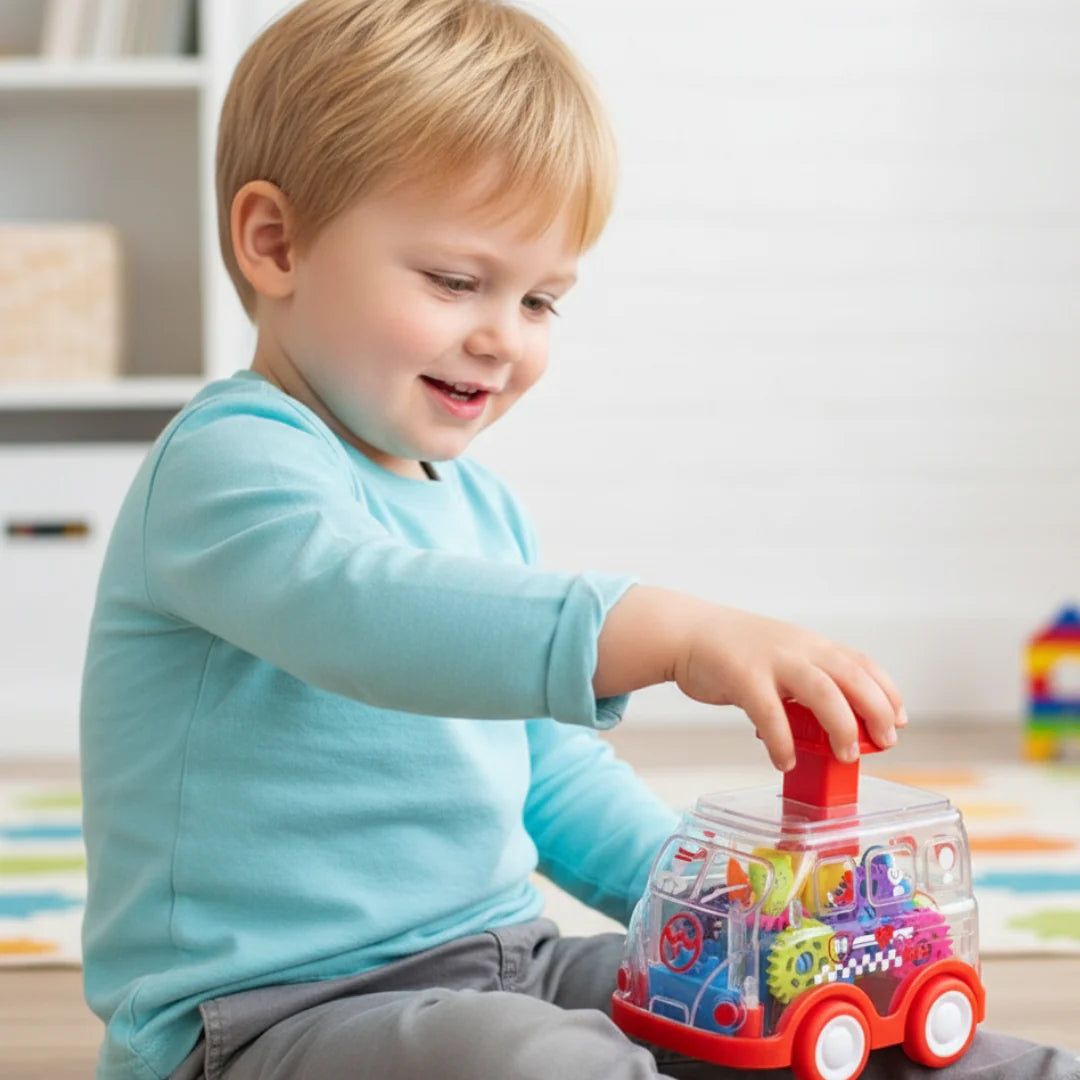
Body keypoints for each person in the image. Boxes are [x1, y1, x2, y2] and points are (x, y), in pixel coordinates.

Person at [79, 2, 1079, 1079]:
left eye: (542, 298)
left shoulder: (478, 505)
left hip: (511, 963)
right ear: (276, 243)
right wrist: (659, 627)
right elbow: (365, 614)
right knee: (538, 1061)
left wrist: (728, 905)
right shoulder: (226, 466)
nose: (502, 335)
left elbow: (543, 772)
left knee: (781, 1006)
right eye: (455, 281)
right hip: (272, 1016)